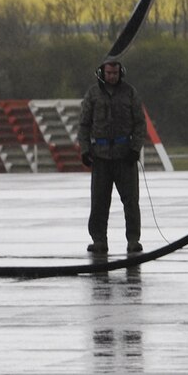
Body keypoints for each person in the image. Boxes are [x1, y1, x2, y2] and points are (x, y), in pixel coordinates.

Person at [77, 55, 145, 256]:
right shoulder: (93, 94)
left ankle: (133, 240)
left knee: (131, 201)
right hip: (101, 157)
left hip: (125, 156)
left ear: (120, 72)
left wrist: (135, 148)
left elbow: (140, 123)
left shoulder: (130, 93)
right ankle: (99, 240)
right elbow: (84, 124)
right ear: (102, 73)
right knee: (99, 202)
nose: (112, 76)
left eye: (115, 73)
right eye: (109, 73)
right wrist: (84, 149)